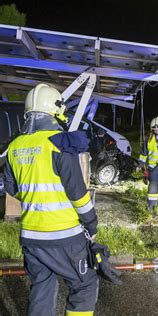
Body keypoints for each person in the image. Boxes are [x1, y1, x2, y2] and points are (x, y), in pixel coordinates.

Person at [2, 83, 99, 315]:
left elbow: (11, 187)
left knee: (42, 288)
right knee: (84, 285)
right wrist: (91, 223)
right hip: (64, 236)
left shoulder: (15, 146)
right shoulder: (59, 143)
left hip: (31, 238)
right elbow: (78, 193)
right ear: (55, 111)